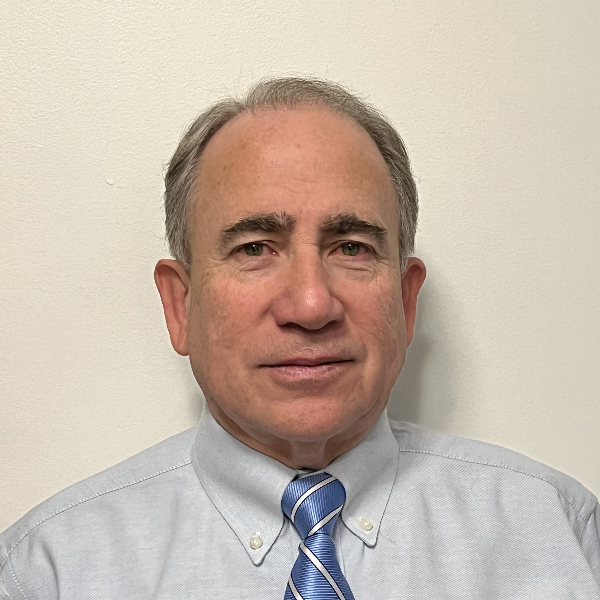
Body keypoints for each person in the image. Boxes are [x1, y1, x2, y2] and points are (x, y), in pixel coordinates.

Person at [0, 76, 598, 599]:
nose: (311, 305)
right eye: (254, 248)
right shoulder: (47, 573)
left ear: (406, 300)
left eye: (352, 248)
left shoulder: (564, 537)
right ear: (180, 305)